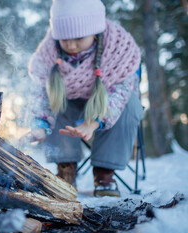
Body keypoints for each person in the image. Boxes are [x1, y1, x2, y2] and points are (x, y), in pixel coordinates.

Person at [21, 0, 143, 197]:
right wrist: (38, 124)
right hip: (70, 104)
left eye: (78, 38)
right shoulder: (48, 52)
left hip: (108, 103)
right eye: (64, 39)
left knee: (129, 106)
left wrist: (94, 122)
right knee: (55, 98)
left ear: (95, 30)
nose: (70, 45)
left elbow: (120, 93)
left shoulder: (119, 49)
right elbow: (40, 92)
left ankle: (105, 173)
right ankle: (65, 168)